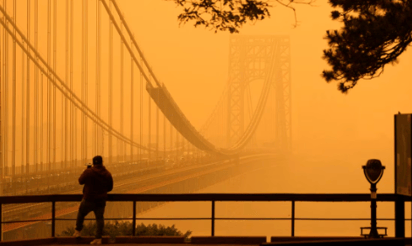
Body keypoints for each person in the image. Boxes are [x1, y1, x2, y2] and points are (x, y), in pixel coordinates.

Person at [73, 155, 113, 245]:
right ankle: (98, 238)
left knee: (81, 213)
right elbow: (110, 188)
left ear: (93, 163)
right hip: (101, 200)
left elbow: (80, 181)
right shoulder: (107, 173)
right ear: (102, 163)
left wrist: (86, 170)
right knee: (99, 219)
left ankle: (77, 231)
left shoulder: (89, 172)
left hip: (88, 199)